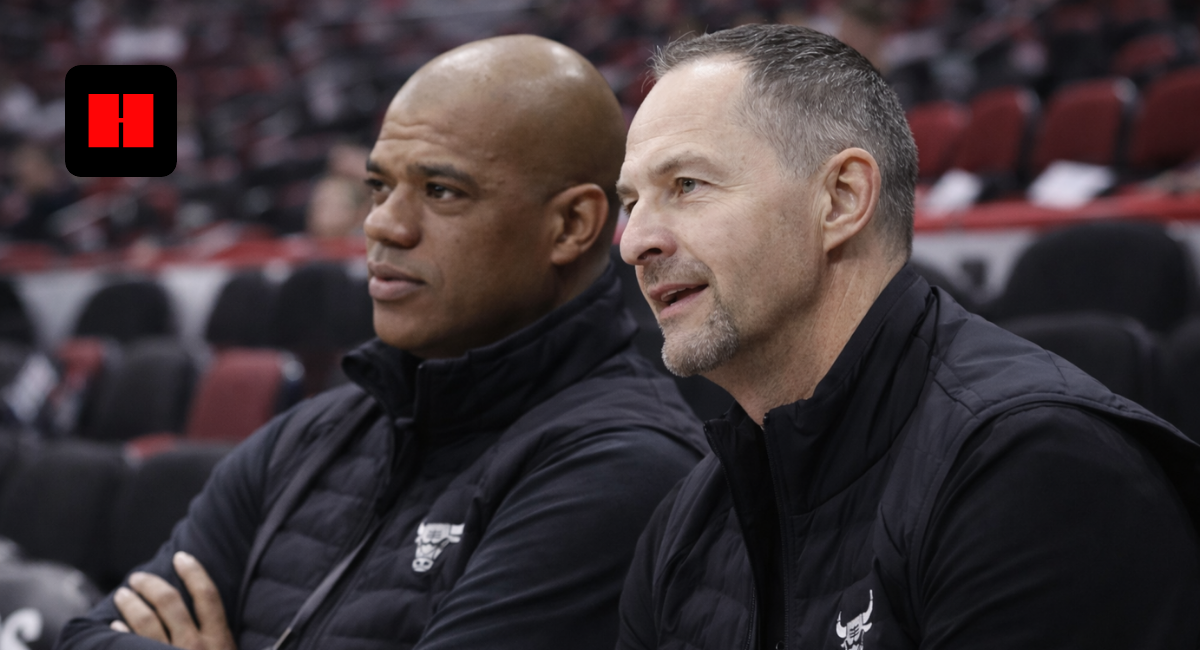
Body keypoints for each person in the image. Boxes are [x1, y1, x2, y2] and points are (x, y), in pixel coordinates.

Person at [58, 35, 705, 650]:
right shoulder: (307, 437)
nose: (382, 225)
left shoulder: (626, 466)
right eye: (378, 187)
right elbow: (89, 634)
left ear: (571, 225)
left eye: (441, 191)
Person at [614, 24, 1200, 650]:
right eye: (631, 202)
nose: (634, 243)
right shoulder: (685, 519)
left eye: (687, 185)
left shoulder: (1035, 472)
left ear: (841, 199)